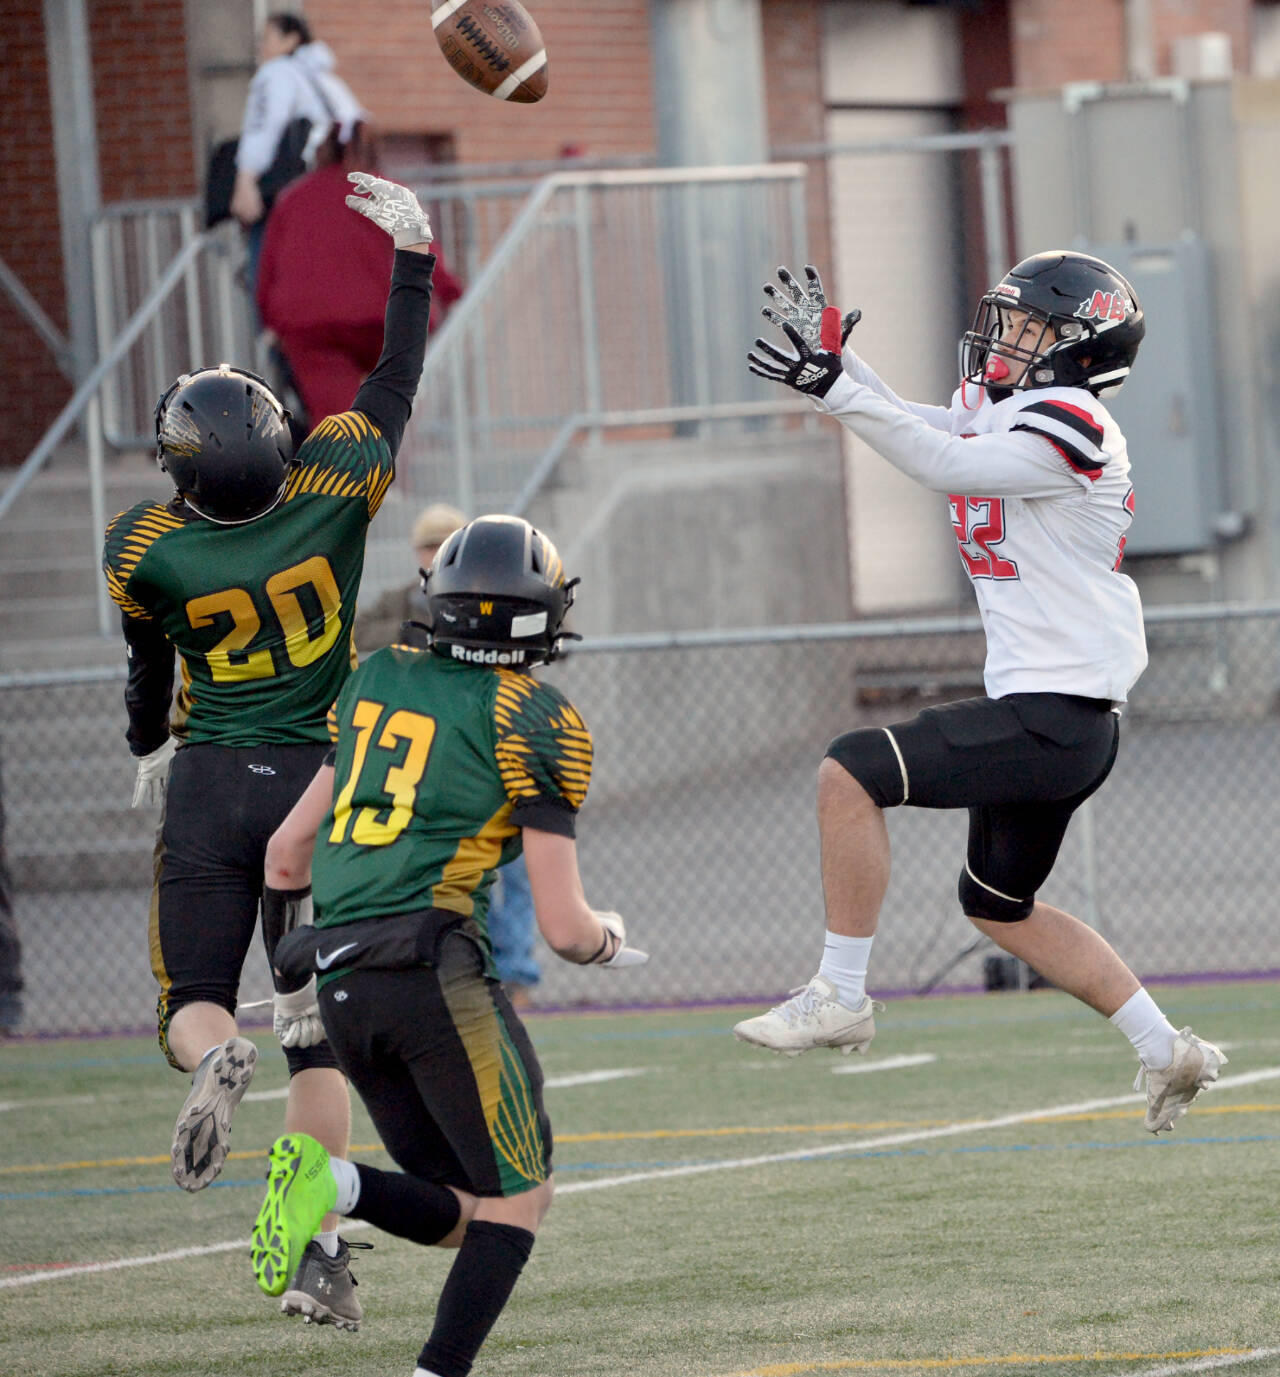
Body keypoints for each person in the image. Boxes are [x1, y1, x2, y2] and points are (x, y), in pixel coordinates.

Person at [739, 254, 1226, 1135]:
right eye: (1006, 320)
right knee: (999, 906)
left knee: (850, 772)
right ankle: (1167, 1049)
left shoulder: (1074, 422)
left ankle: (840, 991)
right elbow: (924, 425)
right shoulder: (1015, 410)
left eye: (1031, 327)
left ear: (1082, 350)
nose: (1006, 339)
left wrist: (839, 390)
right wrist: (842, 371)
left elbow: (936, 462)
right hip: (1058, 713)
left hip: (1054, 714)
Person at [100, 175, 439, 1326]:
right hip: (317, 782)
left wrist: (148, 740)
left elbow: (150, 668)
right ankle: (319, 1252)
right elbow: (394, 380)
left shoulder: (146, 548)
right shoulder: (334, 486)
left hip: (208, 780)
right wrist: (409, 259)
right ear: (282, 439)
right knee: (316, 1033)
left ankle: (210, 1058)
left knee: (194, 1000)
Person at [248, 514, 647, 1377]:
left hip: (339, 977)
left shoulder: (378, 675)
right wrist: (608, 940)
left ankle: (339, 1187)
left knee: (470, 1207)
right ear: (543, 614)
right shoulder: (535, 717)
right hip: (434, 972)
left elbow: (286, 853)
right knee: (522, 1195)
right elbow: (563, 926)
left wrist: (291, 997)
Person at [355, 502, 544, 1007]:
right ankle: (459, 973)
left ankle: (517, 973)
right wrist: (421, 634)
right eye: (429, 544)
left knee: (517, 872)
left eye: (446, 544)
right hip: (438, 759)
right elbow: (360, 633)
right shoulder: (401, 601)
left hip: (494, 750)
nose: (436, 553)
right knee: (454, 872)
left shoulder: (498, 599)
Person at [258, 155, 464, 429]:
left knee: (335, 420)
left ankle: (340, 466)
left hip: (311, 323)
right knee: (393, 414)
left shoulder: (293, 197)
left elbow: (267, 271)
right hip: (382, 319)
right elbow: (419, 245)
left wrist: (271, 321)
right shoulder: (382, 188)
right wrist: (451, 293)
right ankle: (391, 464)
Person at [231, 12, 365, 293]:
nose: (260, 46)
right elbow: (357, 125)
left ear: (291, 39)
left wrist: (245, 180)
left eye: (266, 38)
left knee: (268, 273)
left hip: (289, 192)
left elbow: (264, 126)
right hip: (336, 189)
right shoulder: (326, 80)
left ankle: (273, 335)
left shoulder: (275, 73)